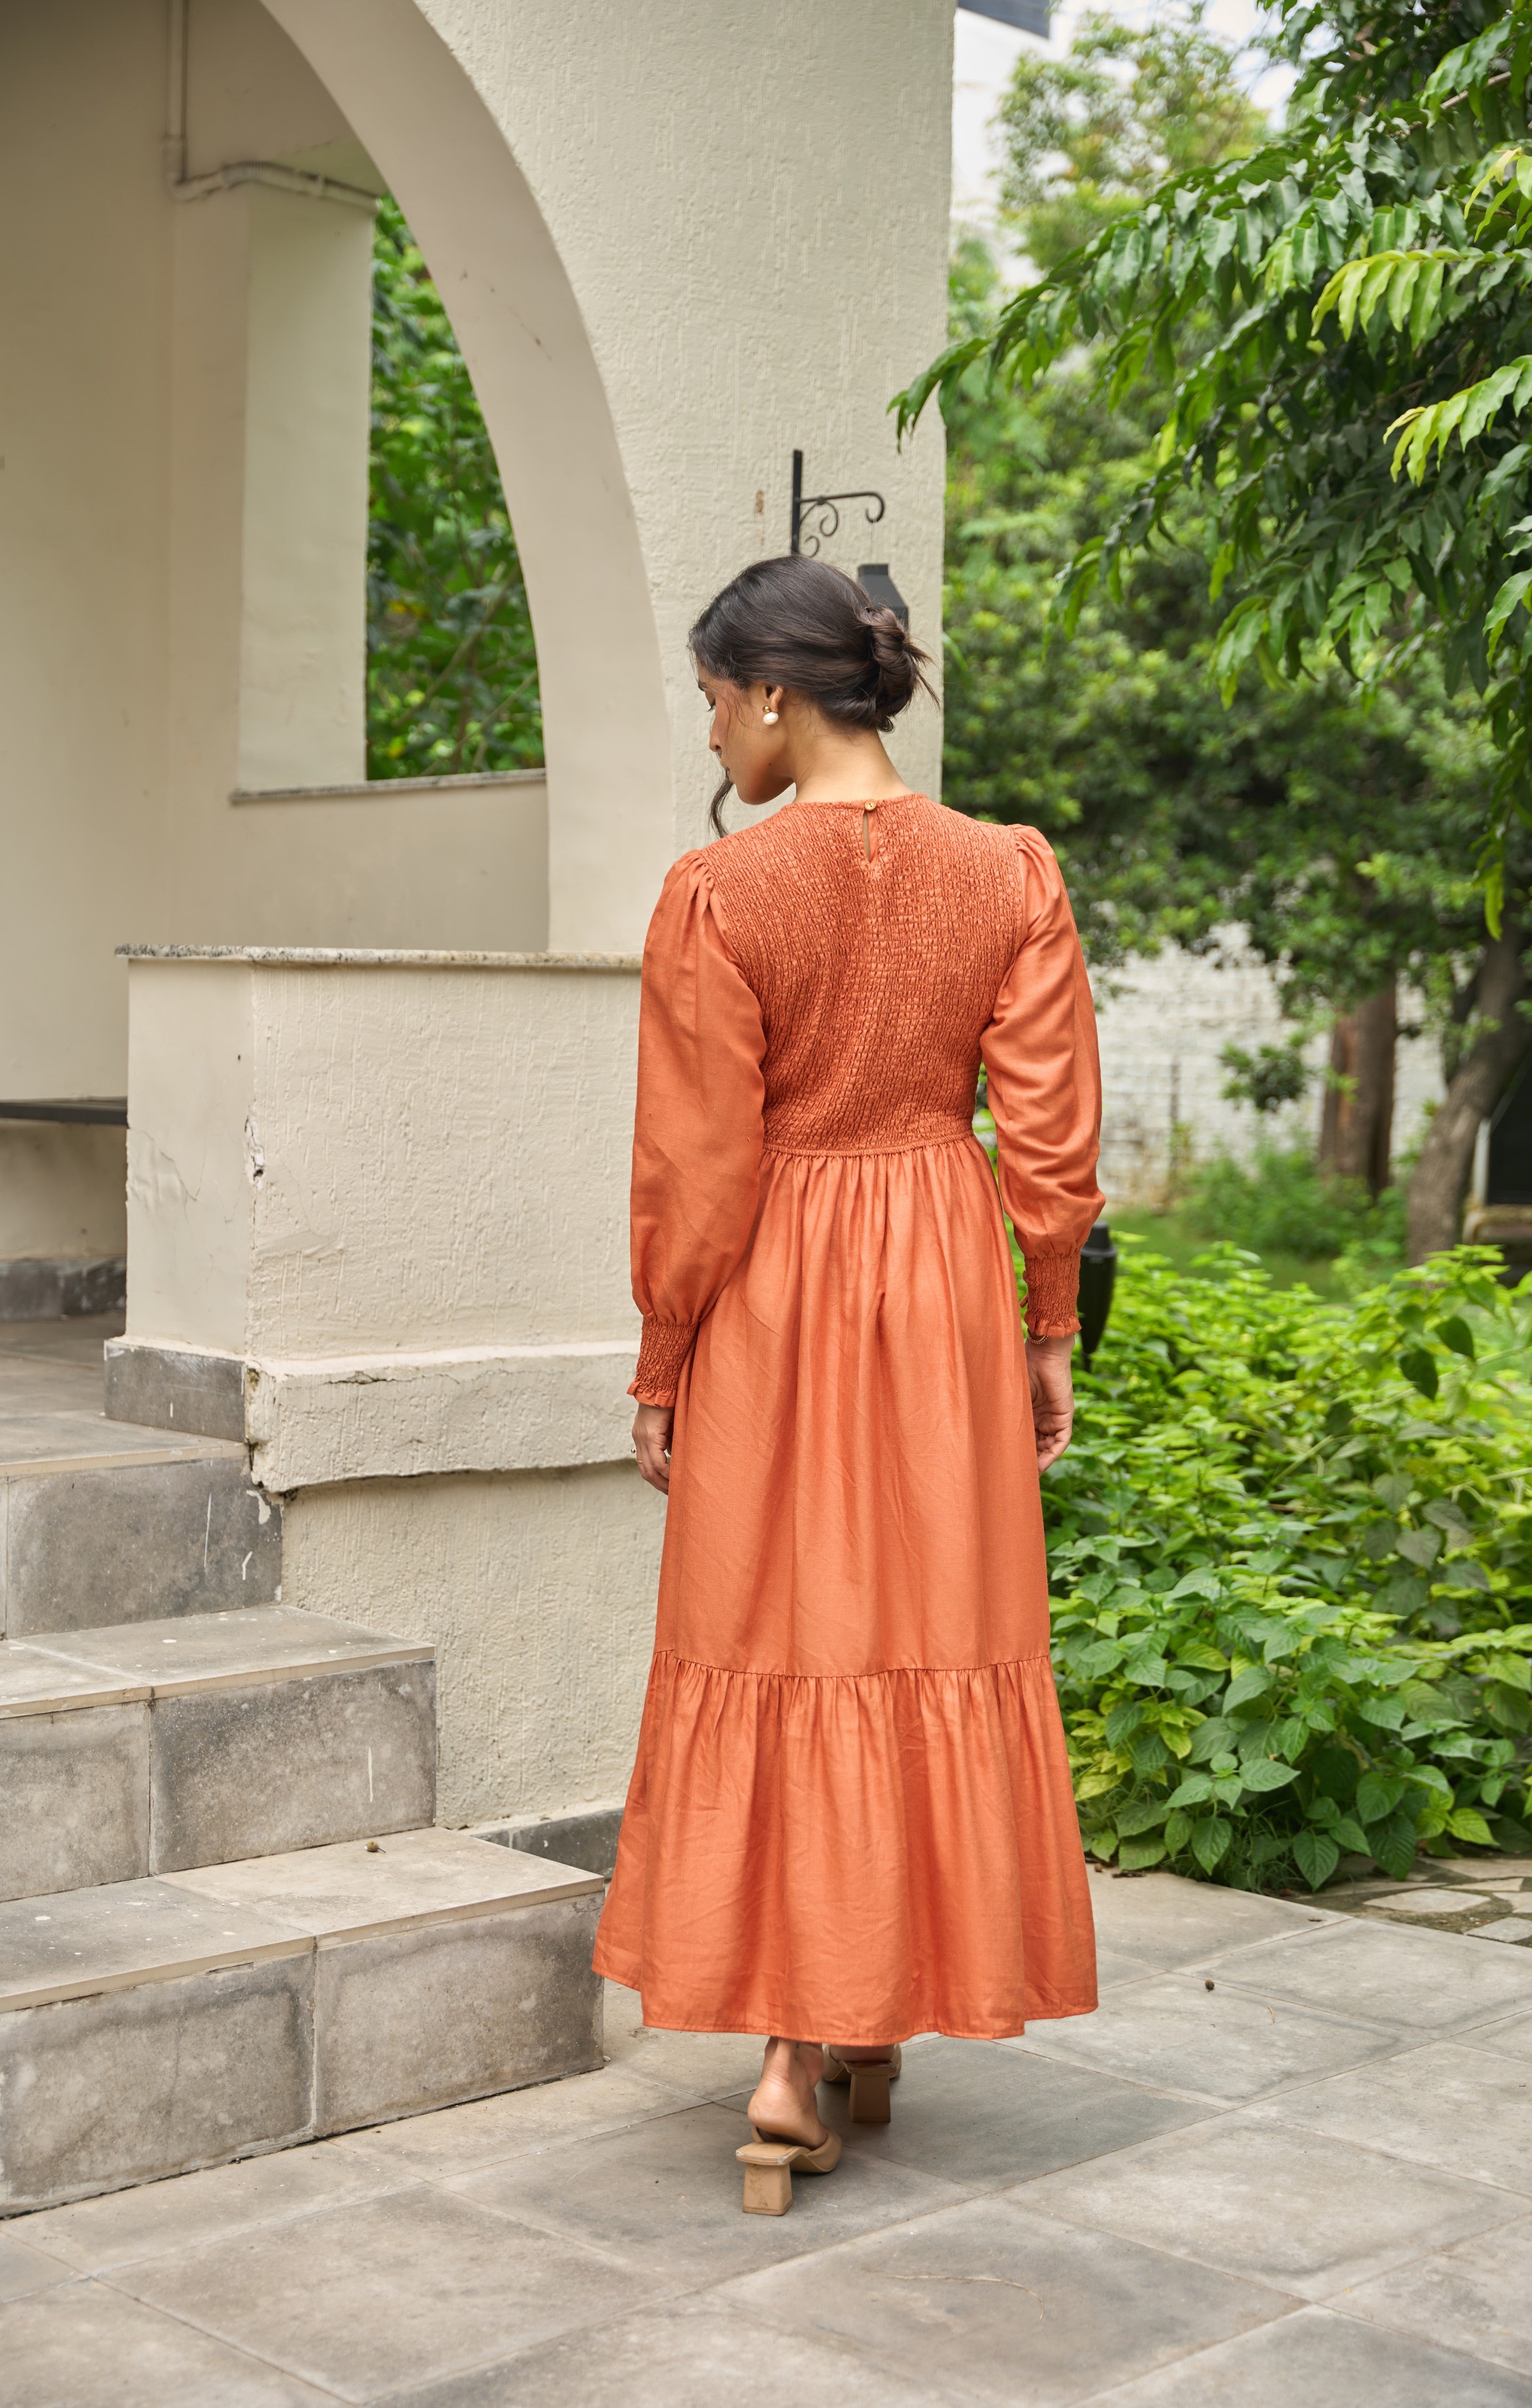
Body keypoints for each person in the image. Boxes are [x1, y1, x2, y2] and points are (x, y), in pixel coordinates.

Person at [591, 554, 1102, 2216]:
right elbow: (1048, 1137)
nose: (710, 735)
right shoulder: (1005, 872)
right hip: (941, 1275)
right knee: (923, 1627)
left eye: (710, 702)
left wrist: (663, 1357)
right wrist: (1045, 1325)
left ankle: (786, 2060)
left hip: (775, 1286)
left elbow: (694, 1166)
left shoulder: (718, 892)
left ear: (769, 694)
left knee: (779, 1634)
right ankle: (862, 2017)